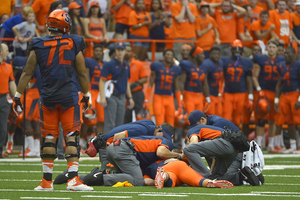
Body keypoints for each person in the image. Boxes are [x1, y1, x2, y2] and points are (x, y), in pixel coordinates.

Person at [13, 9, 93, 191]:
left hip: (48, 97)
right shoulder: (74, 41)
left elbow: (27, 71)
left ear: (49, 24)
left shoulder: (38, 43)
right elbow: (81, 71)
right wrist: (87, 95)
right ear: (65, 25)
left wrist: (18, 96)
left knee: (49, 138)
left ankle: (46, 182)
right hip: (69, 96)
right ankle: (73, 181)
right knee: (71, 136)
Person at [187, 110, 262, 186]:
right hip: (235, 150)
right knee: (217, 178)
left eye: (197, 125)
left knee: (218, 179)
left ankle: (241, 176)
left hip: (239, 154)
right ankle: (249, 176)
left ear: (203, 119)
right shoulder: (213, 121)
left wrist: (209, 178)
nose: (198, 128)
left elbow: (215, 150)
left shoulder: (217, 124)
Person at [83, 135, 180, 186]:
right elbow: (161, 153)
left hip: (115, 148)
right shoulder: (166, 142)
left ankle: (75, 176)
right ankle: (100, 178)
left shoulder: (152, 154)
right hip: (124, 150)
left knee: (121, 177)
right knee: (138, 181)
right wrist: (177, 156)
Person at [99, 42, 134, 169]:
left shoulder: (126, 65)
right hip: (112, 96)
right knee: (110, 124)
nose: (119, 52)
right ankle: (106, 152)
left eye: (121, 50)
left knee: (120, 125)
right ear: (115, 51)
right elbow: (102, 80)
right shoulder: (109, 64)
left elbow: (127, 82)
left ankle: (117, 151)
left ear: (125, 51)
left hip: (121, 96)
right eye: (117, 50)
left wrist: (130, 97)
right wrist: (102, 96)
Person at [252, 40, 285, 151]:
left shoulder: (281, 60)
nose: (271, 49)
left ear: (277, 49)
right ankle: (259, 145)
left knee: (273, 119)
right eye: (269, 47)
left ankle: (271, 145)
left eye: (273, 47)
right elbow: (254, 76)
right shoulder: (260, 59)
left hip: (275, 92)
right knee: (261, 119)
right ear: (266, 48)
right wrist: (259, 89)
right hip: (263, 92)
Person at [143, 49, 182, 127]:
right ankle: (160, 139)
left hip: (170, 98)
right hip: (158, 97)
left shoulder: (176, 69)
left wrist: (180, 104)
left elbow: (177, 88)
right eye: (167, 54)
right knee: (159, 123)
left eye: (171, 55)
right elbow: (150, 84)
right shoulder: (157, 66)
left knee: (170, 124)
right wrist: (146, 99)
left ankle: (170, 139)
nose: (169, 56)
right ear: (163, 56)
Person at [221, 39, 254, 127]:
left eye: (239, 49)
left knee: (237, 119)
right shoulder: (224, 61)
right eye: (235, 49)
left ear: (242, 51)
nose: (237, 51)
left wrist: (250, 95)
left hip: (241, 93)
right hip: (228, 92)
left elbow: (248, 79)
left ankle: (234, 138)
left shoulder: (246, 62)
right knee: (226, 118)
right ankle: (224, 139)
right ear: (231, 50)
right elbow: (220, 77)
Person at [275, 46, 300, 153]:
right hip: (284, 95)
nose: (286, 55)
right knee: (289, 122)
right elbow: (279, 83)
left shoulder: (298, 65)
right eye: (285, 53)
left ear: (294, 54)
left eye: (288, 53)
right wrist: (276, 99)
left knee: (298, 122)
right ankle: (293, 145)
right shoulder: (282, 66)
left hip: (295, 93)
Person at [124, 44, 148, 123]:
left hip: (136, 92)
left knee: (139, 116)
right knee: (125, 116)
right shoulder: (119, 64)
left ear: (132, 53)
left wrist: (135, 83)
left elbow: (145, 78)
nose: (127, 53)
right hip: (123, 94)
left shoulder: (138, 64)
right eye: (125, 50)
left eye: (129, 51)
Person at [0, 43, 17, 158]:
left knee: (3, 126)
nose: (8, 53)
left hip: (4, 98)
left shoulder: (8, 66)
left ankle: (0, 149)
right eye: (6, 51)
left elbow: (11, 83)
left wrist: (16, 98)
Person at [180, 47, 208, 115]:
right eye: (201, 54)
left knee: (199, 119)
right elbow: (181, 82)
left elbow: (205, 84)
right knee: (189, 118)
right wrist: (180, 95)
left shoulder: (203, 66)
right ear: (195, 55)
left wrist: (207, 97)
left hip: (199, 95)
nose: (203, 56)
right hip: (189, 94)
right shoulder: (187, 65)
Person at [200, 47, 223, 116]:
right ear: (210, 55)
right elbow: (204, 81)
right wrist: (207, 96)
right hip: (209, 94)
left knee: (219, 115)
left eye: (218, 54)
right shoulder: (206, 64)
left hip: (216, 94)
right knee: (210, 115)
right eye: (214, 54)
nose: (216, 56)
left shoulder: (220, 63)